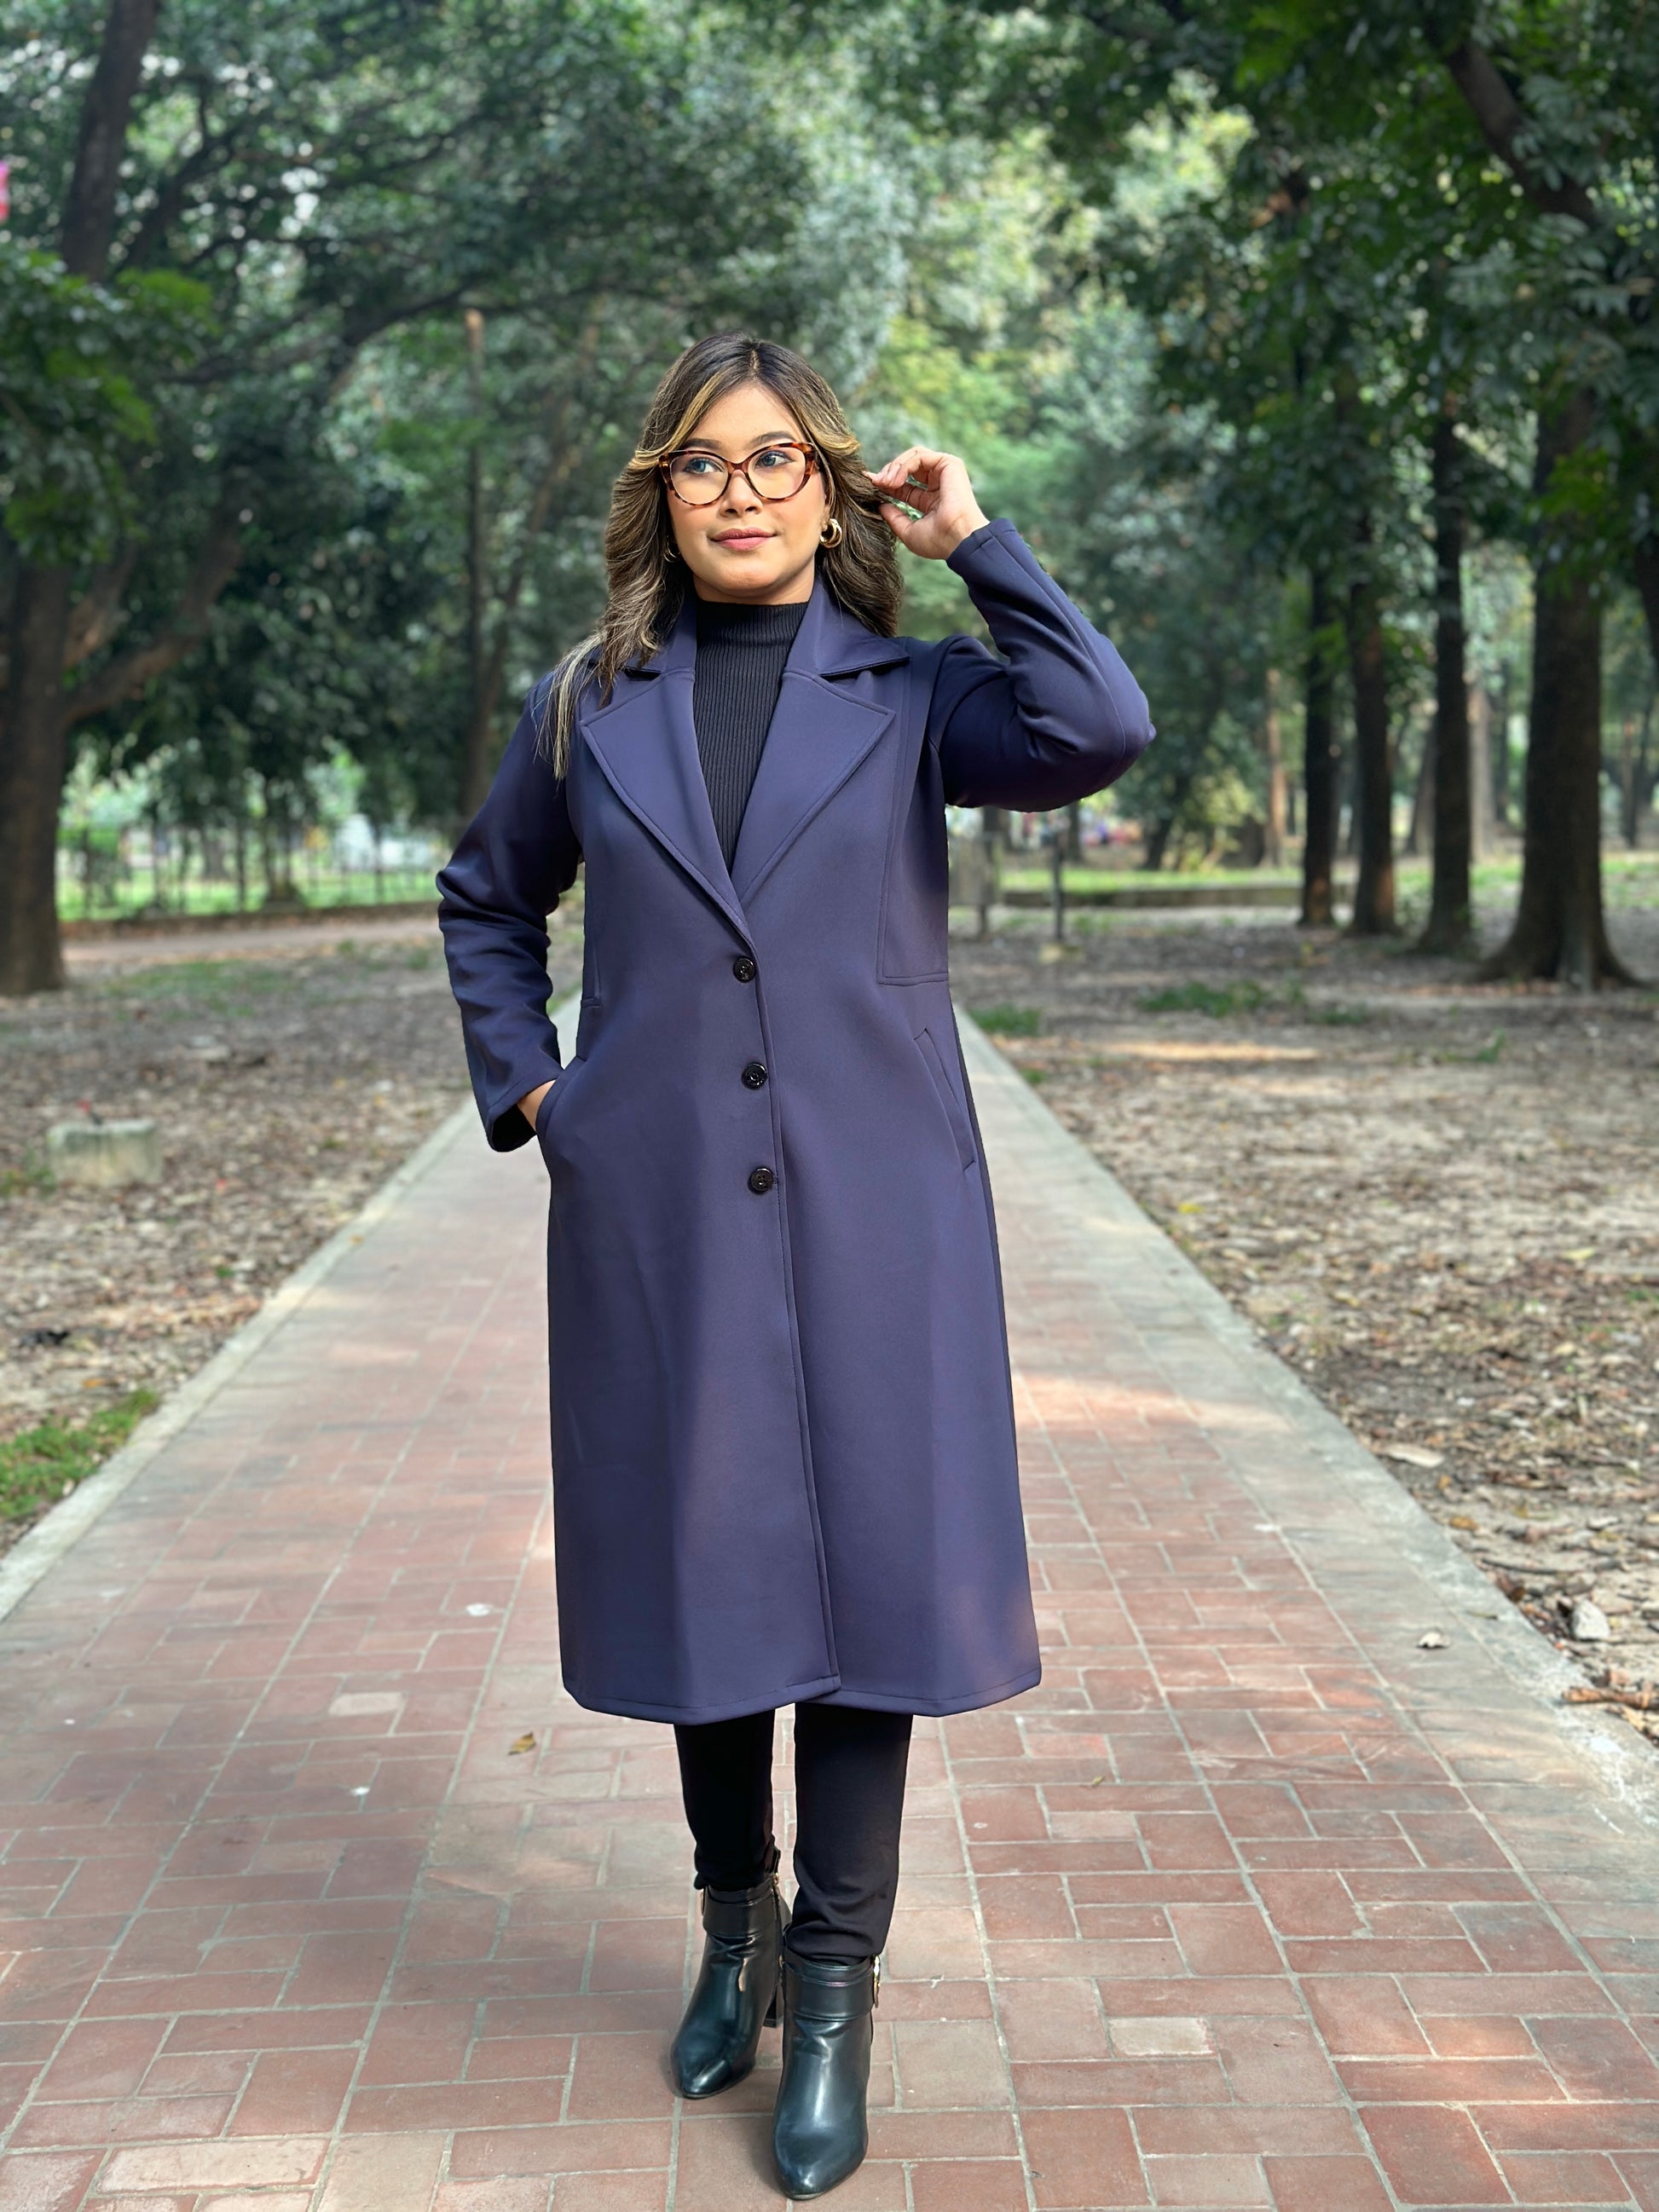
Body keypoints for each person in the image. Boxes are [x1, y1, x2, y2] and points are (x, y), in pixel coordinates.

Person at [436, 332, 1153, 2198]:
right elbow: (484, 894)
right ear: (657, 497)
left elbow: (1097, 726)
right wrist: (535, 1095)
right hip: (660, 1210)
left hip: (877, 1209)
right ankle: (730, 1929)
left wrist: (979, 542)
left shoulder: (915, 691)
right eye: (701, 463)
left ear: (830, 488)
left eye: (775, 460)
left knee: (866, 1603)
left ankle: (831, 1994)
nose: (739, 489)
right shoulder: (588, 701)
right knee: (708, 1578)